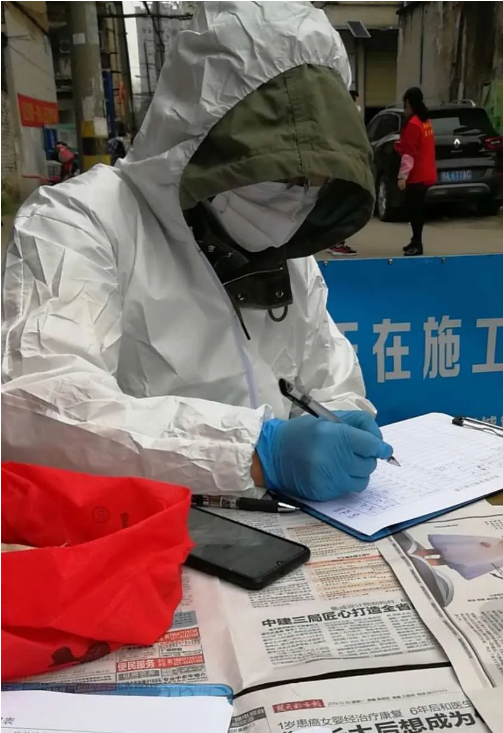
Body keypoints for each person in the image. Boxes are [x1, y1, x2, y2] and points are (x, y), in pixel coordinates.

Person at [1, 2, 391, 505]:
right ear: (203, 141)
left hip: (277, 525)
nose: (298, 198)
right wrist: (253, 453)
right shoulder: (79, 222)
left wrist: (341, 418)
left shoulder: (290, 254)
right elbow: (39, 404)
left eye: (316, 180)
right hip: (133, 526)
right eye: (280, 172)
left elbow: (327, 375)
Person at [395, 87, 436, 256]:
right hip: (427, 171)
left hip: (417, 174)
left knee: (415, 211)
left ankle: (417, 244)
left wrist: (402, 177)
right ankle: (415, 239)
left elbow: (409, 154)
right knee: (417, 208)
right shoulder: (425, 121)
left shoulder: (413, 124)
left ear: (409, 103)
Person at [327, 89, 362, 258]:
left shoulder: (337, 118)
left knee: (336, 205)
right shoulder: (344, 121)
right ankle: (337, 243)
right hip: (342, 167)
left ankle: (333, 241)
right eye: (355, 102)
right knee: (342, 206)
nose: (357, 106)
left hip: (338, 166)